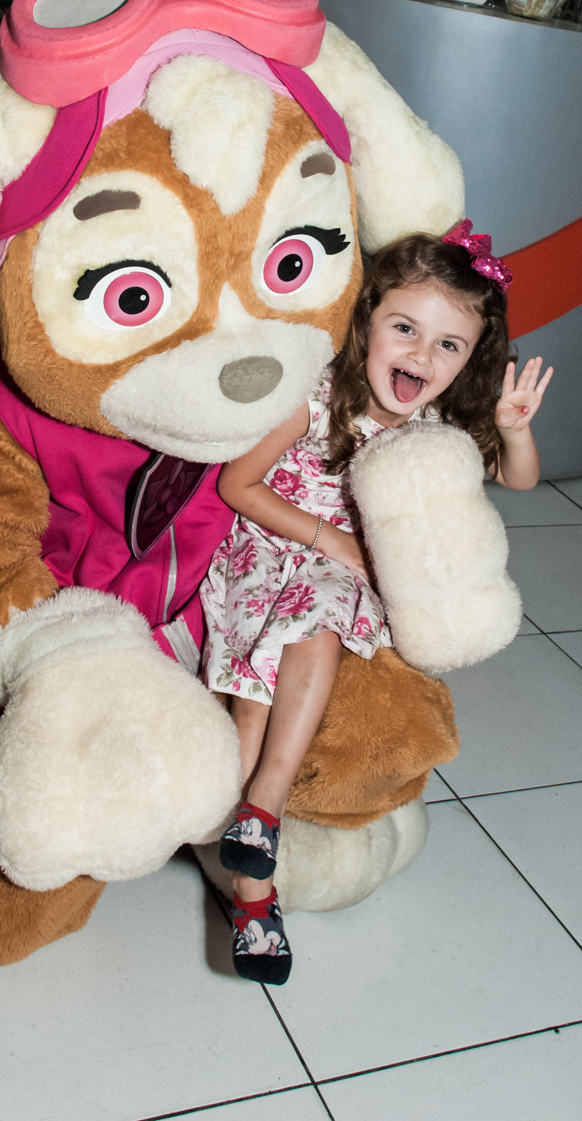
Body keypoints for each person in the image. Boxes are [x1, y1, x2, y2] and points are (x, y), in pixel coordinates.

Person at [201, 223, 554, 985]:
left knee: (298, 653)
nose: (422, 357)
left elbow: (519, 481)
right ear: (367, 322)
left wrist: (511, 432)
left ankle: (250, 880)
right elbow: (236, 486)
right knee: (253, 710)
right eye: (405, 329)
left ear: (468, 362)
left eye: (448, 346)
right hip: (268, 551)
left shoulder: (433, 428)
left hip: (336, 577)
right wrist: (328, 541)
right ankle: (257, 827)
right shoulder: (312, 396)